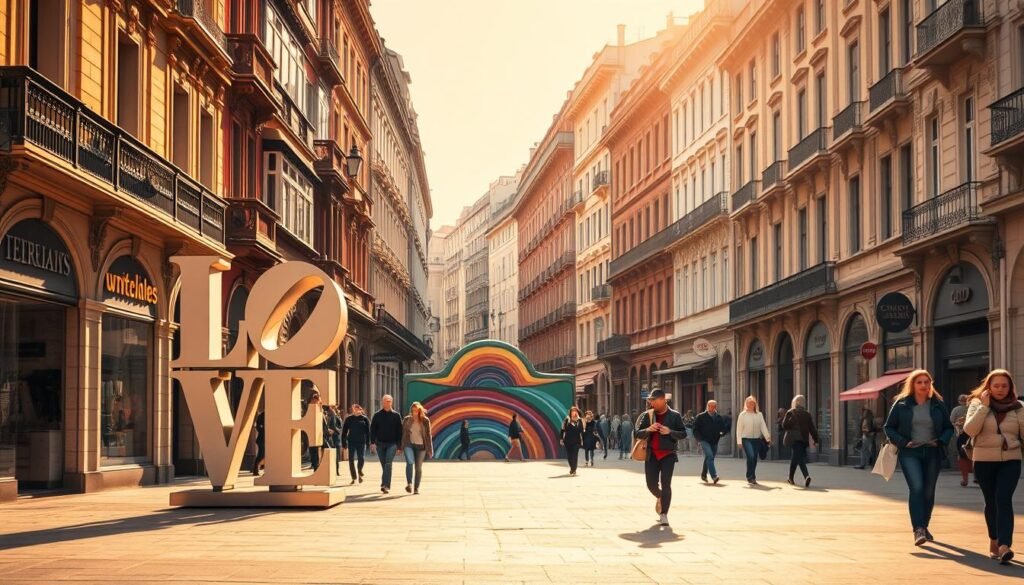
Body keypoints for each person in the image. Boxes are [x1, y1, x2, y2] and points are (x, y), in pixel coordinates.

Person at [884, 369, 955, 546]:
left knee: (929, 491)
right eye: (920, 382)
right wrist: (903, 442)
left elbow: (948, 427)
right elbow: (889, 427)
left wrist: (940, 441)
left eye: (927, 382)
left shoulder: (937, 404)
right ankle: (918, 529)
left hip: (932, 452)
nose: (924, 385)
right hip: (910, 453)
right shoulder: (901, 404)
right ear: (913, 385)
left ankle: (924, 525)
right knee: (917, 487)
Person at [964, 369, 1022, 564]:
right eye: (996, 385)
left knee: (1003, 499)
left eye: (1004, 386)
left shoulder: (1019, 407)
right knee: (991, 501)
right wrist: (984, 407)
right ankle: (994, 539)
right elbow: (970, 430)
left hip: (1011, 459)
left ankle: (1005, 545)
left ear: (1010, 387)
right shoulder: (977, 404)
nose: (1000, 389)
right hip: (983, 461)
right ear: (988, 387)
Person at [635, 388, 687, 526]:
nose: (652, 404)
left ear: (663, 400)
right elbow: (637, 433)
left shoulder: (674, 416)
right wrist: (648, 429)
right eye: (651, 401)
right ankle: (659, 496)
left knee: (666, 484)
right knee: (651, 484)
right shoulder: (648, 415)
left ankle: (664, 514)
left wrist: (670, 432)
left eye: (654, 401)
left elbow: (683, 433)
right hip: (651, 454)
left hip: (668, 454)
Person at [782, 395, 819, 488]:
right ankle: (791, 478)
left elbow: (784, 425)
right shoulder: (807, 414)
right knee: (797, 457)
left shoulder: (790, 412)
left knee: (798, 458)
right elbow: (812, 428)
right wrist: (816, 439)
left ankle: (806, 476)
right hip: (803, 439)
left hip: (793, 439)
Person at [370, 394, 403, 494]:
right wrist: (372, 443)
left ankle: (386, 486)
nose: (387, 403)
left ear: (391, 402)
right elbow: (372, 430)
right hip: (380, 444)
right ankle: (384, 482)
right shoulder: (377, 415)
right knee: (384, 464)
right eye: (385, 401)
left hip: (392, 444)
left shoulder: (396, 415)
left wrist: (399, 446)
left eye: (389, 401)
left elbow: (399, 431)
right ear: (382, 402)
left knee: (388, 464)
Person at [736, 396, 771, 485]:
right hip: (746, 439)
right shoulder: (742, 415)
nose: (750, 405)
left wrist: (767, 438)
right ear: (746, 404)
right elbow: (739, 429)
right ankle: (750, 476)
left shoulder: (759, 414)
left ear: (755, 405)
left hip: (756, 439)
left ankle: (752, 476)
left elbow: (763, 426)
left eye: (752, 403)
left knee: (754, 458)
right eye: (748, 403)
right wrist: (739, 441)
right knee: (751, 456)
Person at [401, 402, 433, 494]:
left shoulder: (425, 420)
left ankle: (416, 488)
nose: (414, 412)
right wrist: (400, 447)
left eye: (416, 410)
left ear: (420, 411)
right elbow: (402, 433)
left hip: (421, 446)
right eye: (413, 410)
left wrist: (430, 449)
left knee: (418, 467)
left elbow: (428, 435)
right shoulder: (407, 420)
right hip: (409, 444)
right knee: (410, 463)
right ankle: (409, 484)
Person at [693, 400, 727, 483]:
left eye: (713, 406)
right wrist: (699, 439)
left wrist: (721, 433)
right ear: (707, 406)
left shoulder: (719, 417)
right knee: (710, 456)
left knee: (709, 458)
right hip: (704, 440)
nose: (711, 408)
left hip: (714, 441)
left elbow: (724, 428)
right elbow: (695, 429)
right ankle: (714, 476)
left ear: (716, 407)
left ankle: (703, 475)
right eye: (710, 406)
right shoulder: (700, 417)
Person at [341, 404, 370, 484]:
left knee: (361, 458)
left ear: (360, 409)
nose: (355, 410)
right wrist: (344, 443)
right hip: (351, 442)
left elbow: (368, 432)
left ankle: (360, 471)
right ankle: (354, 477)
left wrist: (369, 442)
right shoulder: (349, 419)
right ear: (353, 410)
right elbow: (344, 432)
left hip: (361, 442)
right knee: (351, 460)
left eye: (357, 408)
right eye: (354, 408)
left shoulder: (364, 419)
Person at [560, 406, 584, 475]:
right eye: (573, 411)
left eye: (575, 411)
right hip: (568, 441)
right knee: (570, 456)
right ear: (570, 412)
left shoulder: (579, 421)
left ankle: (574, 469)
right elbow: (562, 430)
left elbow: (581, 430)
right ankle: (572, 468)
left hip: (577, 441)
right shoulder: (567, 420)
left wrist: (577, 421)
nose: (574, 412)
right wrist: (561, 439)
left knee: (575, 455)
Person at [307, 392, 325, 471]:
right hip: (311, 433)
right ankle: (315, 466)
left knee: (317, 451)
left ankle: (317, 467)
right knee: (313, 451)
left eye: (316, 401)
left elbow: (323, 423)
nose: (314, 403)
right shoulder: (309, 408)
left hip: (318, 434)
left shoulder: (320, 409)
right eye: (313, 401)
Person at [325, 405, 343, 476]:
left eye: (332, 409)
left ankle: (336, 471)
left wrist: (334, 432)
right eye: (330, 409)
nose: (330, 410)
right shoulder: (327, 417)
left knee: (336, 457)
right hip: (329, 439)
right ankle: (330, 471)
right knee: (329, 457)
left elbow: (340, 429)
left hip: (336, 440)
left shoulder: (337, 418)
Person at [251, 408, 266, 476]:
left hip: (264, 438)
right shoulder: (262, 415)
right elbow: (258, 427)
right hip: (262, 439)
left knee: (264, 454)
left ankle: (259, 469)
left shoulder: (264, 415)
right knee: (261, 454)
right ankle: (255, 470)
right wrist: (263, 431)